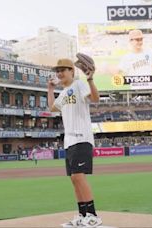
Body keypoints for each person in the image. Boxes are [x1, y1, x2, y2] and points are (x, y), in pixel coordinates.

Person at [48, 58, 102, 227]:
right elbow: (52, 108)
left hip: (82, 137)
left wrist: (90, 79)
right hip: (69, 141)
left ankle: (92, 215)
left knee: (79, 176)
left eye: (63, 69)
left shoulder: (79, 85)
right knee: (74, 179)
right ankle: (82, 215)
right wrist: (50, 89)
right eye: (58, 70)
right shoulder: (63, 93)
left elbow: (95, 98)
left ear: (72, 71)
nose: (59, 73)